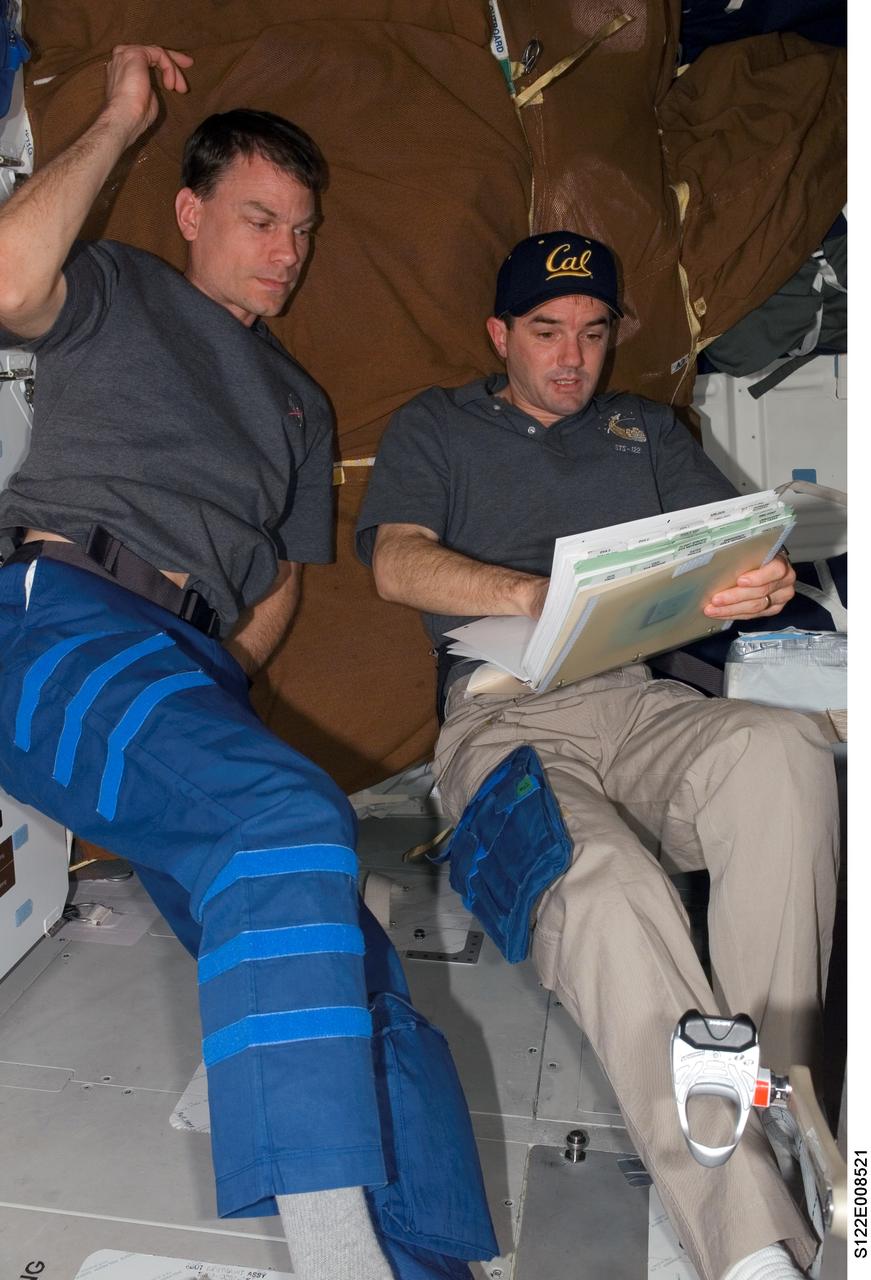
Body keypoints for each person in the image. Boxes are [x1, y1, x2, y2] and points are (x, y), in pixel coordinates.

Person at [0, 45, 496, 1280]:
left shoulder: (299, 403)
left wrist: (225, 680)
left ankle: (432, 1261)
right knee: (292, 821)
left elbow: (276, 578)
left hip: (181, 664)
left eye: (302, 229)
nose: (285, 249)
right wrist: (117, 118)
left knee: (353, 954)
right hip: (54, 610)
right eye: (258, 218)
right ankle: (338, 1259)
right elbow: (9, 281)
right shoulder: (116, 285)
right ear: (191, 213)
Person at [356, 230, 839, 1280]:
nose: (570, 356)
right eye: (543, 332)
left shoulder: (642, 429)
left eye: (589, 331)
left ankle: (778, 1104)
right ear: (499, 333)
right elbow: (394, 560)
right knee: (608, 884)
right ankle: (748, 1233)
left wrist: (759, 576)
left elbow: (740, 534)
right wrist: (535, 595)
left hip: (637, 698)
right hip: (500, 711)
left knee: (784, 753)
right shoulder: (438, 424)